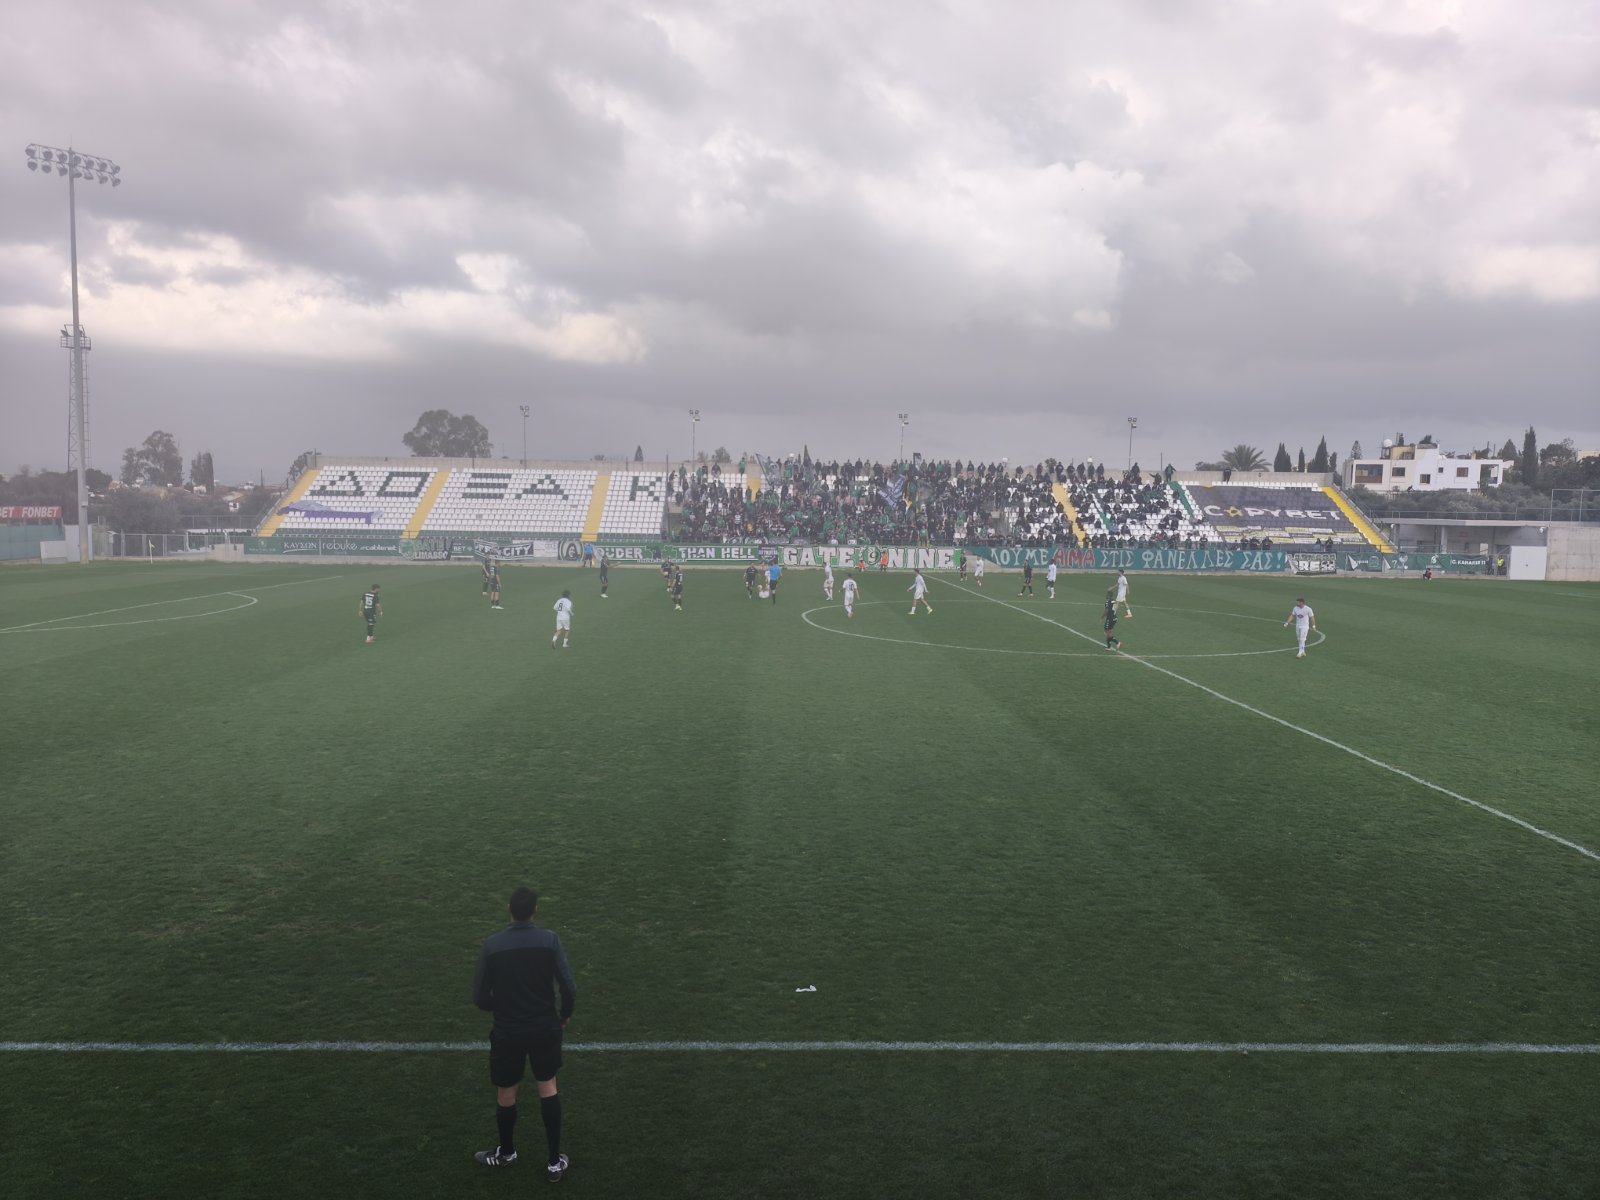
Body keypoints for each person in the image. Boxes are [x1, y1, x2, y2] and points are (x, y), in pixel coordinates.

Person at [473, 886, 576, 1180]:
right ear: (535, 911)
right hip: (544, 1027)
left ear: (509, 909)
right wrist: (564, 1015)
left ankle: (506, 1153)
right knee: (548, 1087)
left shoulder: (492, 946)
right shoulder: (549, 940)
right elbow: (569, 987)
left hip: (508, 1030)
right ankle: (554, 1162)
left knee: (506, 1091)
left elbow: (479, 997)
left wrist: (503, 1006)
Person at [1103, 586, 1122, 652]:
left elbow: (1106, 611)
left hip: (1110, 619)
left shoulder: (1107, 602)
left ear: (1108, 595)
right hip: (1114, 618)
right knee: (1109, 632)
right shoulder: (1114, 601)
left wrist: (1102, 617)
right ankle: (1109, 647)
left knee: (1106, 633)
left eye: (1107, 594)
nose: (1106, 595)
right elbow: (1117, 606)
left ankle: (1117, 643)